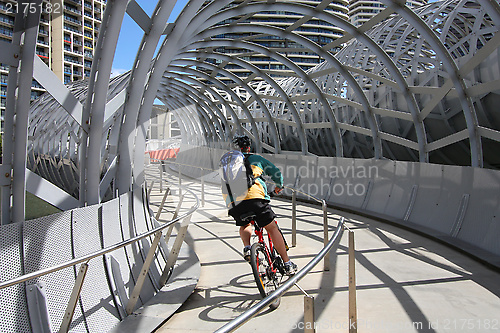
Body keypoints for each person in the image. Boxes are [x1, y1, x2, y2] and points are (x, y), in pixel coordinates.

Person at [222, 135, 297, 275]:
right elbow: (275, 173)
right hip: (254, 198)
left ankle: (247, 247)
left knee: (245, 224)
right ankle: (287, 264)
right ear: (248, 148)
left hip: (233, 203)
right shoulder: (256, 159)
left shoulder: (228, 164)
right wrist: (278, 186)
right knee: (272, 228)